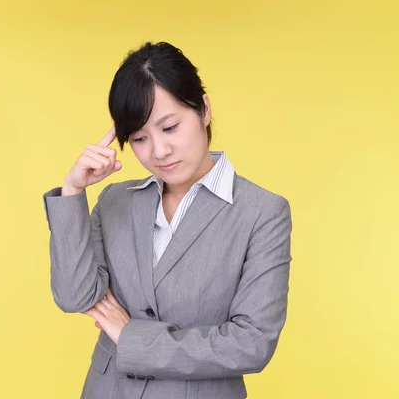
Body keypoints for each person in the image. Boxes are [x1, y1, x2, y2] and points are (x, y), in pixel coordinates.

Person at [42, 41, 292, 399]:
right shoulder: (116, 200)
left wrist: (133, 338)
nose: (159, 151)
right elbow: (75, 296)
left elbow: (250, 343)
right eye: (140, 138)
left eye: (170, 127)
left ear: (204, 109)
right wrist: (72, 192)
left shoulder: (262, 212)